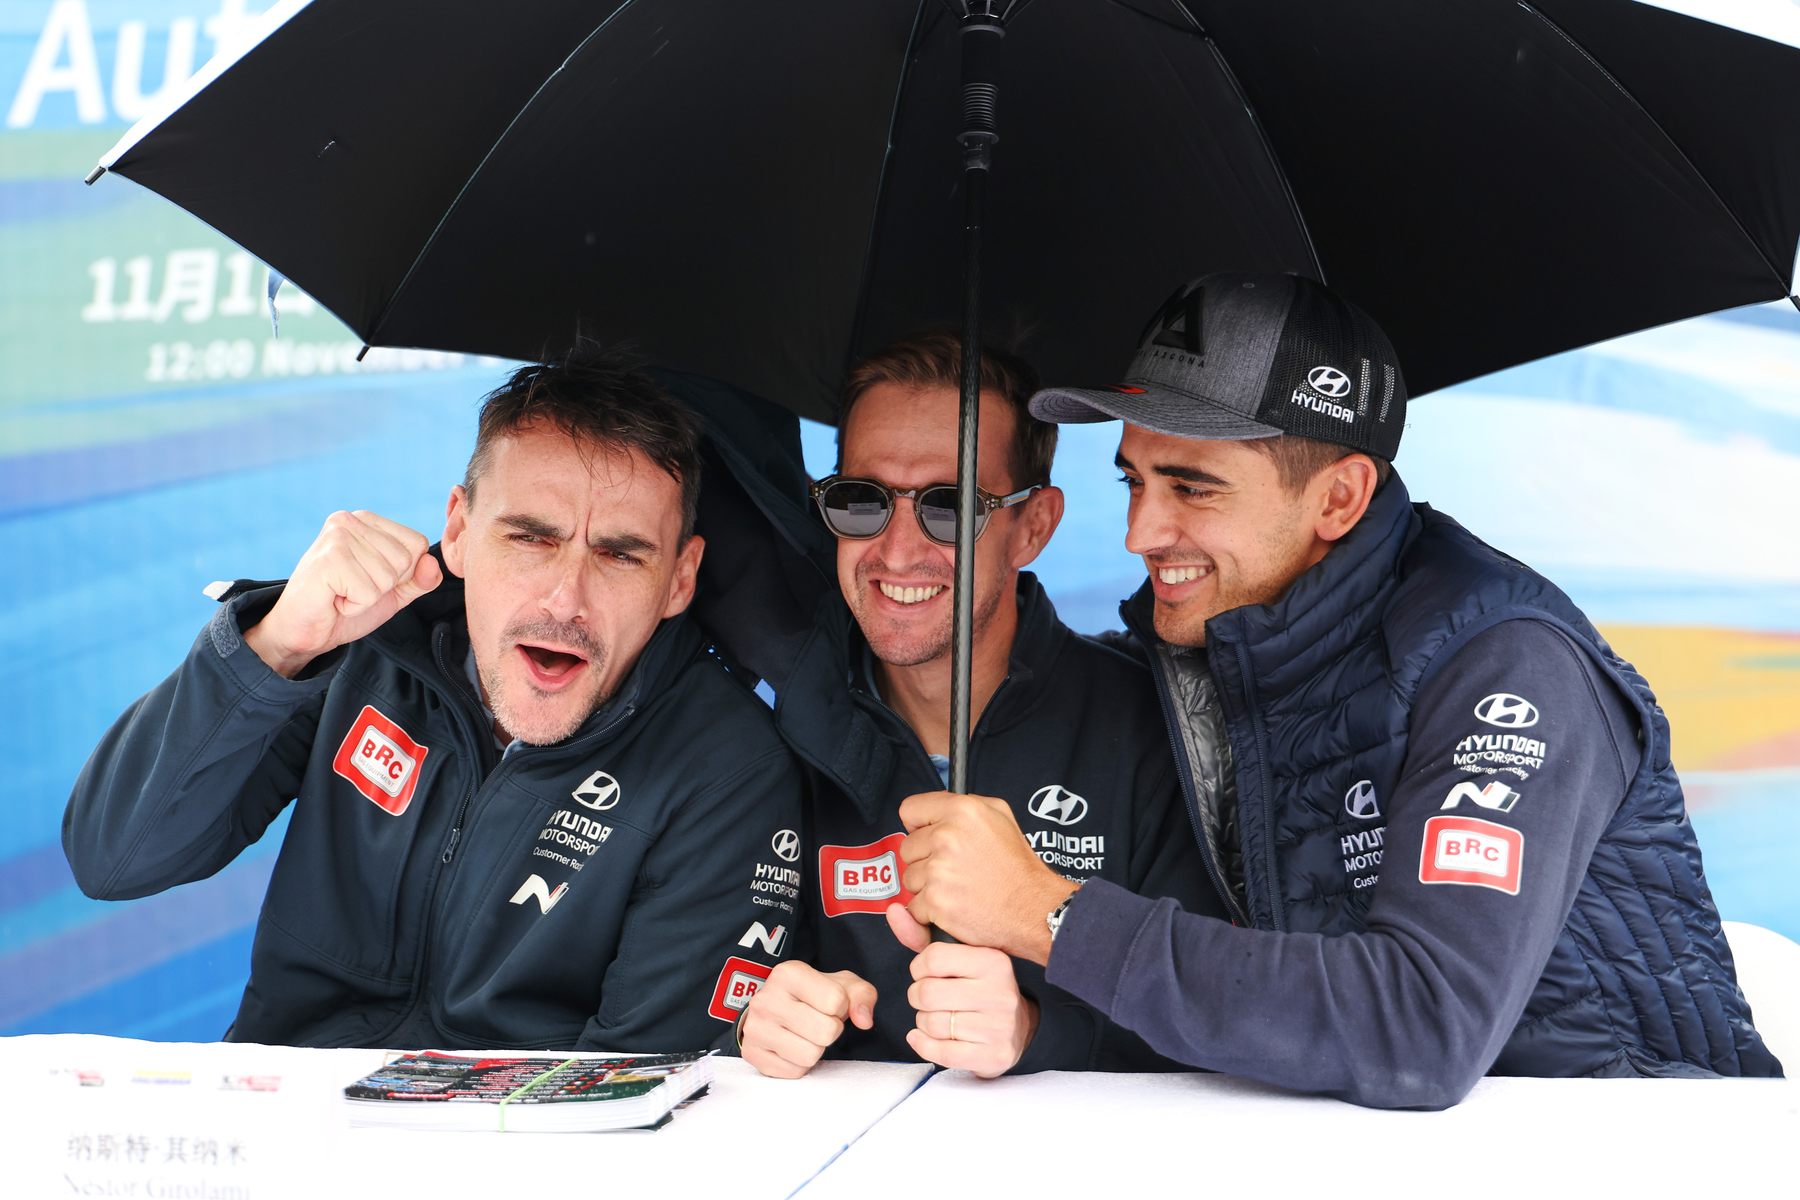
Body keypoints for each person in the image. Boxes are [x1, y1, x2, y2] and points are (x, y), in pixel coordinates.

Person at [891, 274, 1780, 1106]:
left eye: (1193, 488)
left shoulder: (1507, 664)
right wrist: (1029, 1025)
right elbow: (1240, 1001)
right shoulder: (1214, 654)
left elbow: (1421, 1024)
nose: (1140, 532)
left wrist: (1044, 912)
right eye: (1135, 480)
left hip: (1628, 1148)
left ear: (1340, 499)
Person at [63, 347, 804, 1051]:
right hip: (293, 1116)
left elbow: (639, 1087)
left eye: (619, 554)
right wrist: (278, 644)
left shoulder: (727, 769)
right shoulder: (364, 642)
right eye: (530, 538)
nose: (565, 599)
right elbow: (115, 858)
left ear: (680, 578)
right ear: (458, 531)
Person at [735, 330, 1225, 1080]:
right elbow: (707, 993)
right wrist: (762, 1020)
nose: (897, 551)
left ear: (1034, 526)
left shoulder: (1157, 725)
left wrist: (1039, 1032)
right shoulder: (778, 725)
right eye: (863, 501)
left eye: (950, 506)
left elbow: (1216, 1018)